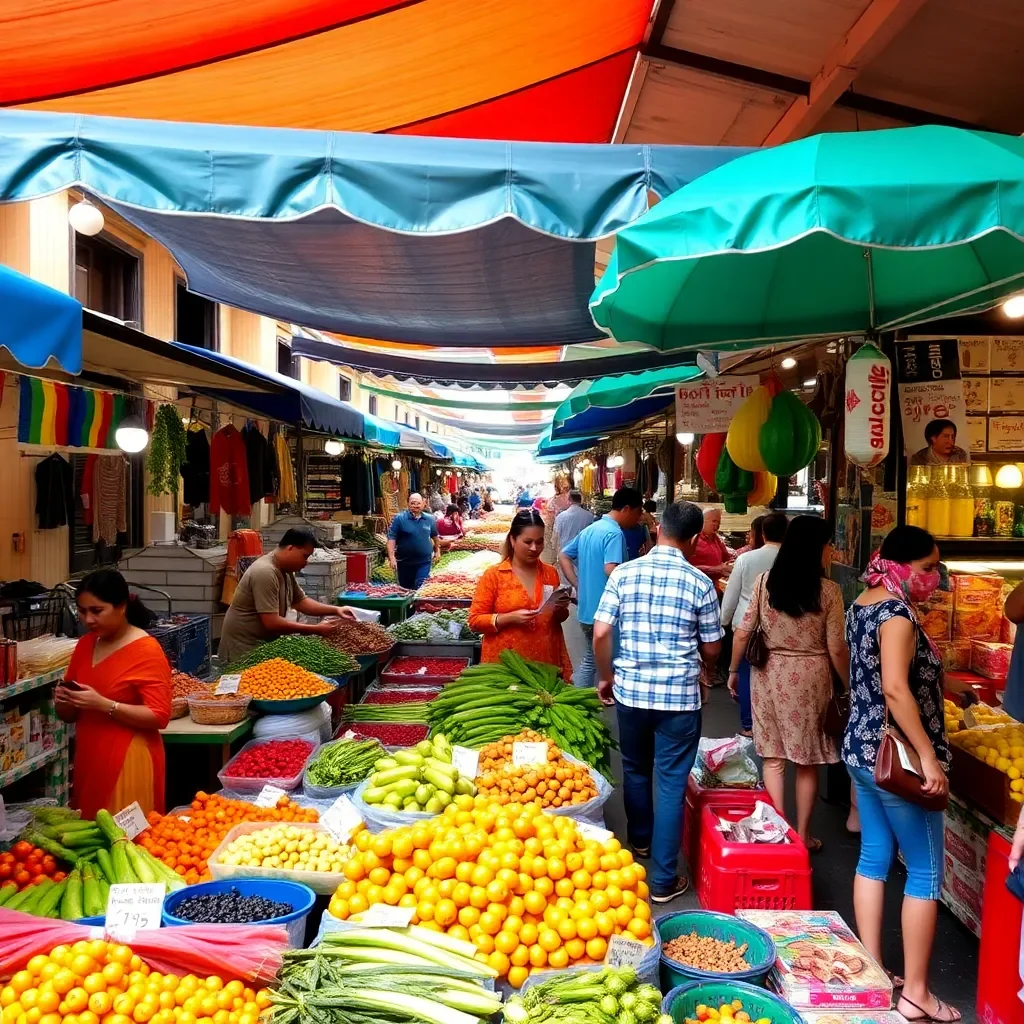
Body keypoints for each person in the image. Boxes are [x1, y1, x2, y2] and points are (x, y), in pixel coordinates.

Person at [843, 526, 956, 1024]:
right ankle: (916, 994)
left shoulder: (863, 602)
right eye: (929, 567)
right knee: (927, 870)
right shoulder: (897, 615)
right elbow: (894, 689)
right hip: (898, 760)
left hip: (861, 749)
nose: (935, 577)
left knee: (874, 855)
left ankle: (871, 967)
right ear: (905, 566)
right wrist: (928, 757)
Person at [592, 501, 723, 901]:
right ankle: (663, 881)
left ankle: (641, 844)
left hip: (631, 693)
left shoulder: (626, 574)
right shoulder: (699, 581)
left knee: (635, 769)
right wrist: (705, 664)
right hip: (679, 699)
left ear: (657, 528)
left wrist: (607, 676)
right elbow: (714, 646)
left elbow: (600, 633)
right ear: (695, 538)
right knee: (670, 782)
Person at [729, 516, 848, 849]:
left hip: (769, 674)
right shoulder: (830, 592)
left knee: (774, 758)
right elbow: (836, 647)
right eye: (828, 545)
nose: (831, 551)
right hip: (812, 675)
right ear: (816, 548)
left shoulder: (766, 581)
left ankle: (779, 831)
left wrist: (734, 669)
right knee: (806, 761)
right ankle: (804, 834)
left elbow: (743, 631)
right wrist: (847, 683)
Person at [54, 570, 172, 819]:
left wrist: (106, 705)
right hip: (89, 755)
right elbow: (68, 714)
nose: (88, 619)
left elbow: (159, 715)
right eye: (82, 611)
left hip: (128, 757)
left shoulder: (146, 650)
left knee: (125, 842)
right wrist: (64, 701)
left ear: (121, 607)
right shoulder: (85, 644)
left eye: (97, 611)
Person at [218, 527, 355, 664]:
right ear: (290, 548)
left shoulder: (285, 570)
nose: (306, 563)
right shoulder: (265, 572)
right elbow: (272, 622)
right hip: (243, 648)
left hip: (262, 646)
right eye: (304, 556)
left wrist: (336, 610)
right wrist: (316, 629)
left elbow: (300, 601)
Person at [469, 509, 572, 680]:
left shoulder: (550, 573)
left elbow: (557, 618)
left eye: (539, 542)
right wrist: (509, 618)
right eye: (528, 542)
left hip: (545, 662)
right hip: (505, 667)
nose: (534, 548)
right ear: (513, 539)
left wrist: (561, 608)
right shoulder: (494, 575)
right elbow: (475, 621)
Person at [559, 487, 643, 688]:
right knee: (611, 662)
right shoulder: (614, 533)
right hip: (606, 613)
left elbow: (564, 555)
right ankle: (593, 699)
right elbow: (611, 569)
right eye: (639, 513)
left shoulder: (591, 529)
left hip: (586, 609)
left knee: (591, 657)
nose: (639, 519)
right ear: (627, 509)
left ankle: (578, 697)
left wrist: (578, 583)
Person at [721, 512, 788, 736]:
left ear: (761, 533)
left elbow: (732, 594)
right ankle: (776, 723)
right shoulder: (792, 560)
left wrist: (724, 620)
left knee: (747, 673)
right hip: (781, 627)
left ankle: (749, 724)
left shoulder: (746, 559)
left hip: (747, 626)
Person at [387, 493, 441, 589]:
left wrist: (437, 551)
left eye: (418, 503)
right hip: (404, 562)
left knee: (421, 586)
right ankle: (409, 604)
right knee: (405, 588)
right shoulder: (399, 518)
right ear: (408, 504)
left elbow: (435, 536)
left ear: (423, 504)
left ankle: (418, 604)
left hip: (424, 561)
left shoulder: (430, 519)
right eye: (413, 503)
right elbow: (392, 538)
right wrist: (391, 557)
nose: (416, 506)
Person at [553, 490, 595, 569]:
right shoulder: (589, 516)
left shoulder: (561, 517)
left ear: (569, 500)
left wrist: (554, 557)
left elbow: (555, 537)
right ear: (580, 500)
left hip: (564, 554)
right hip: (582, 555)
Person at [691, 508, 734, 580]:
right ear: (703, 521)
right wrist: (715, 569)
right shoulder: (692, 539)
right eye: (714, 521)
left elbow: (726, 558)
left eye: (719, 522)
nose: (717, 525)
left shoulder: (716, 539)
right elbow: (688, 567)